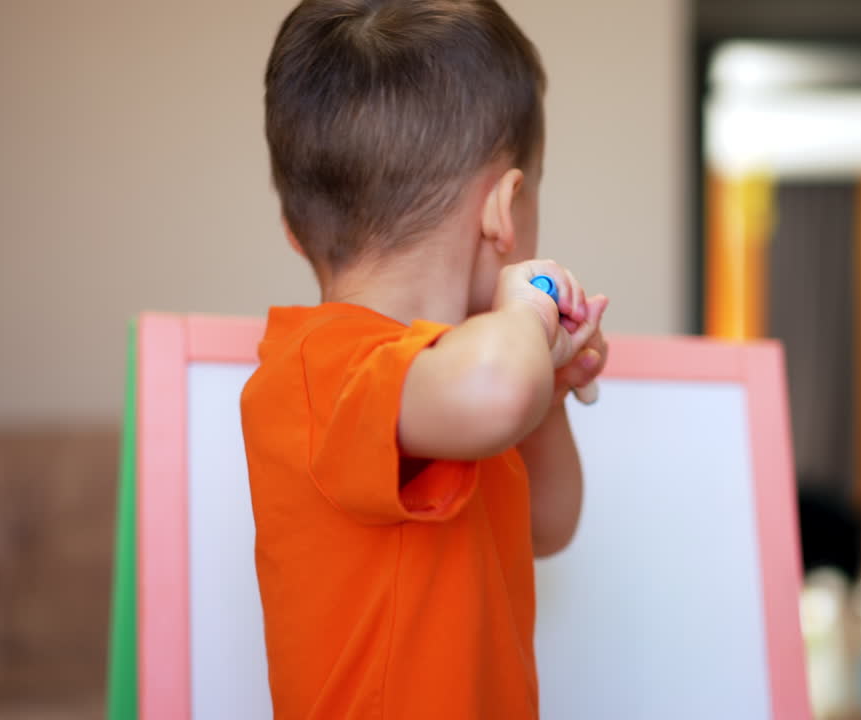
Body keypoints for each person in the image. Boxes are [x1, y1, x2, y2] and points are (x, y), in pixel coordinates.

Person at [239, 1, 609, 717]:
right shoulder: (322, 369)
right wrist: (527, 312)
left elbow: (549, 527)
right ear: (506, 208)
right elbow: (496, 388)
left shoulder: (454, 386)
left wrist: (549, 395)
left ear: (293, 227)